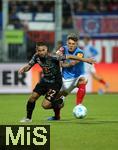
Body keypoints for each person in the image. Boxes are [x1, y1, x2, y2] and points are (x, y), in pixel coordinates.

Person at [19, 42, 95, 122]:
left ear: (46, 49)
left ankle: (59, 104)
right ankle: (28, 118)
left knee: (45, 106)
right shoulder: (36, 57)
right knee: (32, 98)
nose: (41, 52)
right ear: (36, 50)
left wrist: (85, 60)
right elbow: (29, 66)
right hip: (44, 81)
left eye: (43, 50)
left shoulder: (54, 57)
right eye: (39, 50)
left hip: (55, 83)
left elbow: (70, 56)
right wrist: (24, 69)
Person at [48, 33, 93, 120]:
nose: (71, 46)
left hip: (77, 77)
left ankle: (78, 105)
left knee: (83, 80)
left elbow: (73, 63)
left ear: (77, 44)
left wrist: (63, 64)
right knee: (56, 99)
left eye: (73, 44)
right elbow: (58, 56)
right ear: (67, 43)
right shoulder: (63, 48)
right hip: (66, 80)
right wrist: (60, 60)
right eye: (69, 43)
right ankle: (57, 116)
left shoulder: (80, 52)